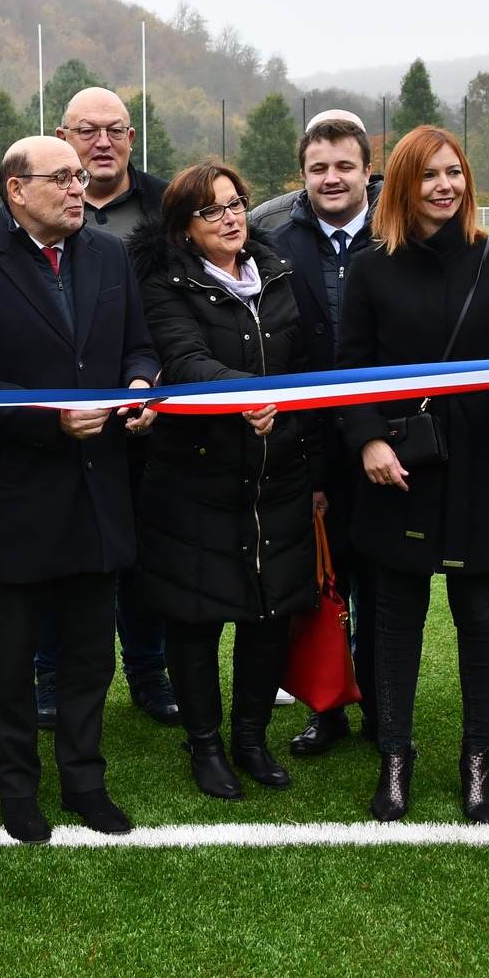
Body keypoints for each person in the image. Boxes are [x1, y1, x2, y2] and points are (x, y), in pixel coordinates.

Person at [0, 136, 160, 844]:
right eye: (62, 177)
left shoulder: (108, 254)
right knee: (17, 655)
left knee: (92, 651)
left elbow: (139, 345)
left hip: (99, 493)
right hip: (20, 496)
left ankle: (85, 780)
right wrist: (51, 418)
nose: (78, 187)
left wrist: (141, 386)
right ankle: (19, 789)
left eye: (80, 177)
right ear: (15, 189)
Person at [337, 125, 489, 823]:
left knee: (483, 619)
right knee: (394, 623)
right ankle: (396, 757)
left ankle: (477, 761)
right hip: (401, 467)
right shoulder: (368, 268)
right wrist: (367, 441)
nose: (445, 186)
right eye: (429, 175)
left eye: (454, 172)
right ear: (401, 184)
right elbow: (351, 372)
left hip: (486, 469)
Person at [127, 162, 320, 800]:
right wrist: (249, 395)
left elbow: (314, 366)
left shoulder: (282, 275)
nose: (231, 217)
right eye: (212, 211)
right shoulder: (162, 284)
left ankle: (251, 738)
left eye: (236, 204)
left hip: (278, 477)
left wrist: (287, 421)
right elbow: (183, 360)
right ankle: (205, 746)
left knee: (268, 612)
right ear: (184, 227)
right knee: (195, 616)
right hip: (195, 479)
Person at [43, 86, 176, 727]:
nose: (103, 142)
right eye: (88, 130)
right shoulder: (36, 207)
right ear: (62, 135)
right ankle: (48, 677)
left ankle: (150, 675)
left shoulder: (169, 206)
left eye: (116, 130)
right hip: (56, 420)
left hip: (147, 405)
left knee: (144, 555)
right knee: (56, 552)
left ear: (132, 136)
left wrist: (151, 382)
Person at [258, 109, 385, 756]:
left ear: (368, 169)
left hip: (387, 438)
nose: (331, 179)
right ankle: (327, 704)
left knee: (383, 580)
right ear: (302, 175)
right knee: (320, 583)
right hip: (310, 443)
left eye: (343, 166)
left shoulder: (400, 235)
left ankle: (384, 706)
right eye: (318, 168)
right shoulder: (276, 242)